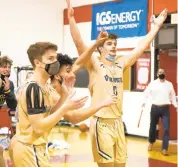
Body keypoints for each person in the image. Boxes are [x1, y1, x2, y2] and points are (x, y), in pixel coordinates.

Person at [66, 0, 168, 166]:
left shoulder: (121, 63)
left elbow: (140, 46)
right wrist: (71, 20)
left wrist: (156, 27)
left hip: (118, 122)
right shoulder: (94, 63)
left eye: (115, 44)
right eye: (109, 44)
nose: (114, 47)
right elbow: (79, 44)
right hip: (101, 123)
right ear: (100, 48)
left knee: (120, 165)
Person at [9, 42, 88, 167]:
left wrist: (64, 98)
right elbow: (39, 127)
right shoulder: (33, 88)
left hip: (37, 147)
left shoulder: (44, 85)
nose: (55, 62)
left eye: (55, 58)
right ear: (37, 63)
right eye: (50, 59)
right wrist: (65, 108)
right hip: (29, 148)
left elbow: (47, 114)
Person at [142, 68, 177, 156]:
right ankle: (151, 142)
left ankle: (164, 148)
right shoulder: (153, 84)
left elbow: (172, 96)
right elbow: (146, 93)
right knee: (152, 127)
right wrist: (143, 102)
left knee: (166, 129)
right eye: (160, 72)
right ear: (157, 74)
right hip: (155, 108)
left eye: (163, 72)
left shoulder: (169, 84)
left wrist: (176, 106)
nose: (161, 73)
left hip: (165, 109)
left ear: (165, 74)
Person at [0, 56, 17, 167]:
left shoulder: (9, 84)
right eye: (3, 67)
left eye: (9, 67)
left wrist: (7, 90)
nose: (7, 69)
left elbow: (12, 105)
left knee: (1, 150)